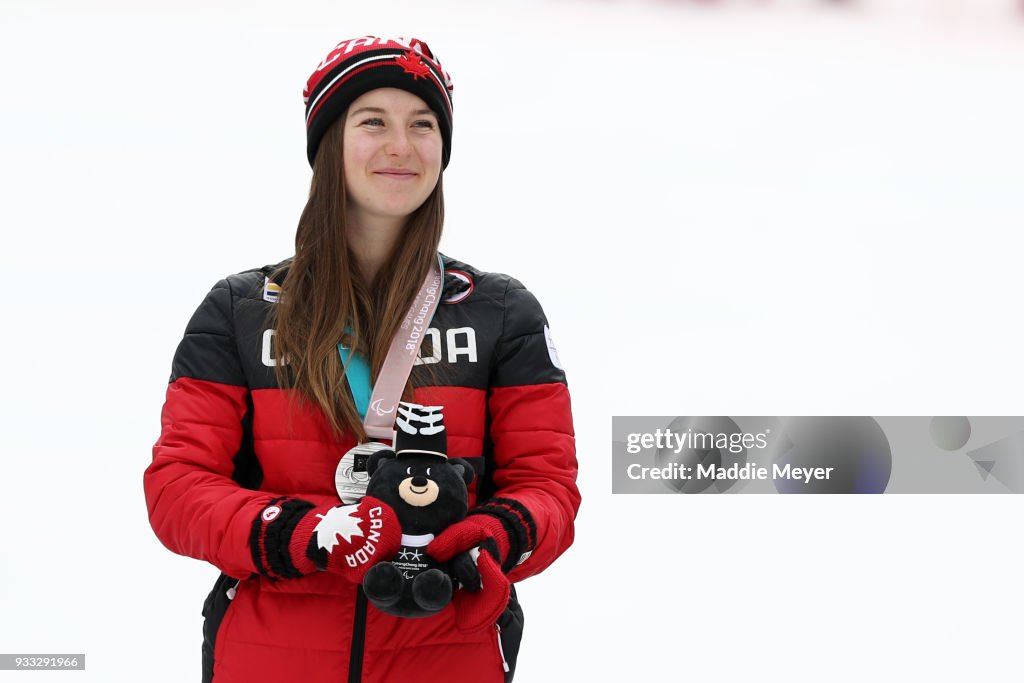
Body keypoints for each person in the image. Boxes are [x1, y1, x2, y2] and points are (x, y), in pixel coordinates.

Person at [143, 35, 580, 683]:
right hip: (270, 659)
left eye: (422, 124)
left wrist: (492, 535)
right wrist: (303, 532)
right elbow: (177, 487)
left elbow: (550, 489)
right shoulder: (239, 310)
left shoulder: (501, 312)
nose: (401, 145)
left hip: (446, 653)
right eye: (372, 121)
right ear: (328, 146)